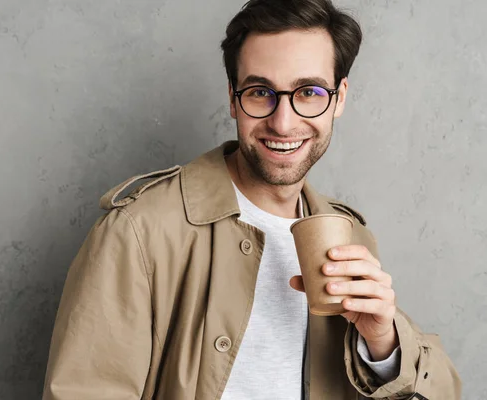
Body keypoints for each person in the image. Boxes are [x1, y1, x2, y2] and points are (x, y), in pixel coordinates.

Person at [42, 0, 462, 399]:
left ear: (340, 98)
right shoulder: (140, 230)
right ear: (232, 97)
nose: (283, 122)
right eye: (260, 92)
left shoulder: (351, 235)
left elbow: (446, 389)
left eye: (309, 92)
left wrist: (384, 343)